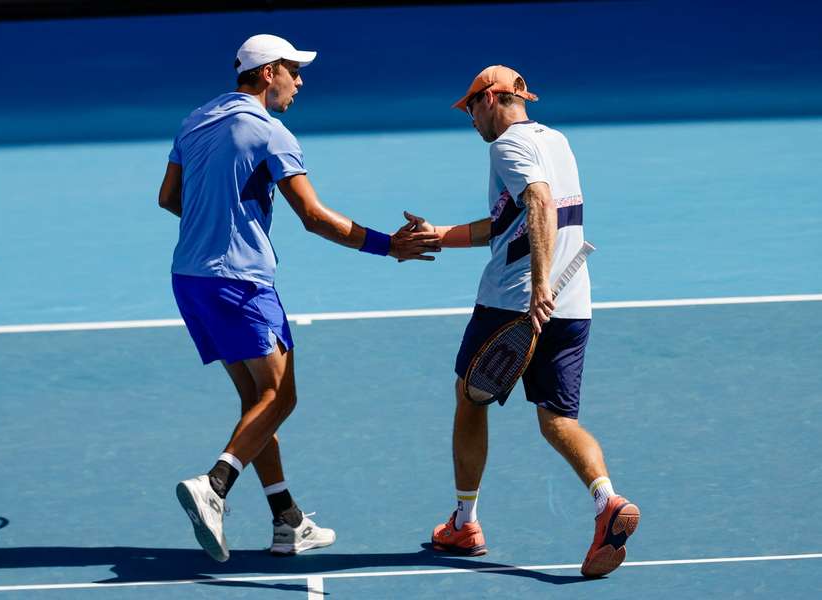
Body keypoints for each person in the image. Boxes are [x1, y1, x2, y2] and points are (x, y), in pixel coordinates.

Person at [157, 34, 440, 562]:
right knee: (281, 397)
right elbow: (313, 217)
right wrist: (389, 247)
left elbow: (169, 198)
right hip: (240, 282)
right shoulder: (272, 132)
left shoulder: (195, 119)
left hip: (190, 280)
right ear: (268, 73)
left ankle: (287, 520)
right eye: (293, 71)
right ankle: (215, 485)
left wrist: (217, 223)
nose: (300, 82)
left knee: (257, 402)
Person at [404, 65, 639, 577]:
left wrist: (535, 285)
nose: (469, 119)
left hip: (514, 301)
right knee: (558, 421)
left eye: (470, 107)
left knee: (471, 399)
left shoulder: (505, 146)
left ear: (492, 99)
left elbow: (538, 202)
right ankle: (607, 503)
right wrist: (440, 235)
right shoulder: (556, 141)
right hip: (572, 303)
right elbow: (511, 219)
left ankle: (465, 522)